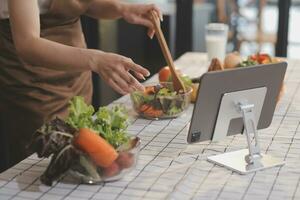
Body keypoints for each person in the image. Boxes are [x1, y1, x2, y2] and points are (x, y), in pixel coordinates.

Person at [0, 0, 162, 172]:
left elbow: (80, 3)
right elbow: (28, 44)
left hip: (77, 73)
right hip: (34, 84)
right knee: (41, 166)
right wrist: (95, 60)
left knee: (84, 162)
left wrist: (122, 8)